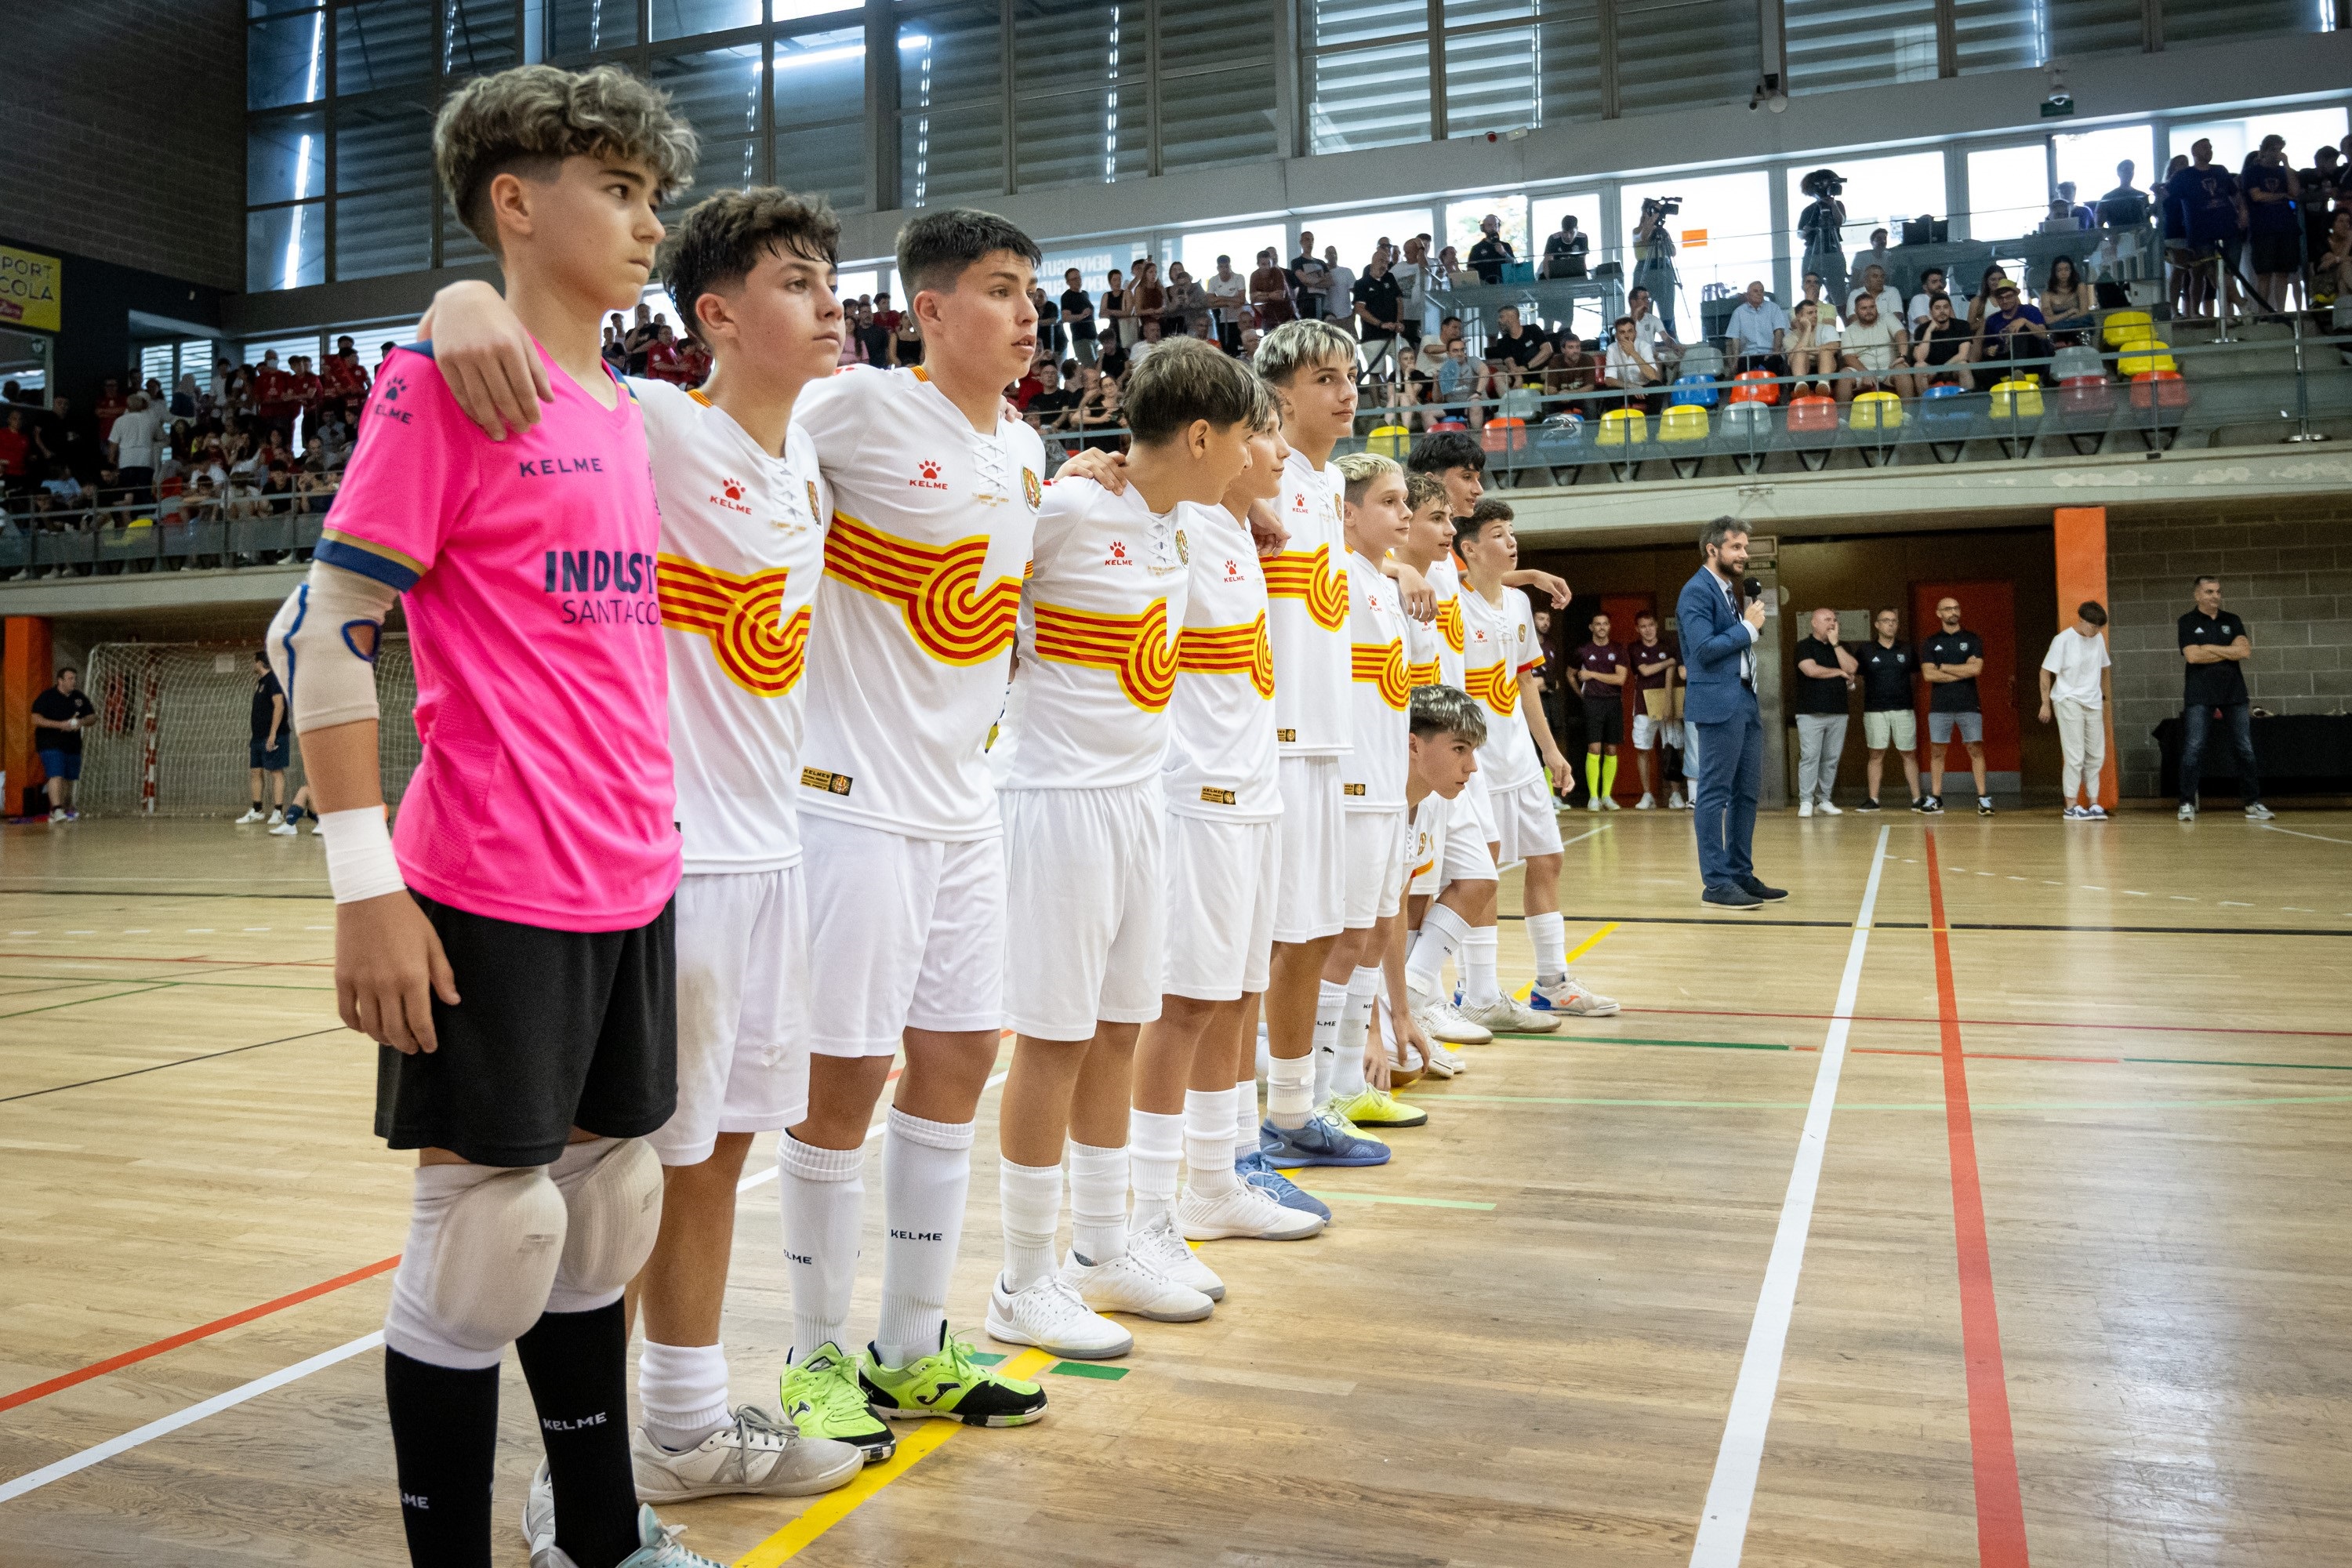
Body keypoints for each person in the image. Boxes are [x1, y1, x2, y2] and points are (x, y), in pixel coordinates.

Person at [262, 62, 724, 1568]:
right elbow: (320, 633)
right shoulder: (443, 382)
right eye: (619, 191)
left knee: (603, 1214)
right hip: (490, 882)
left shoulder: (619, 407)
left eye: (655, 196)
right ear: (515, 204)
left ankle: (599, 1536)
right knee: (487, 1242)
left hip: (632, 875)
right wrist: (363, 884)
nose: (649, 223)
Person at [424, 183, 877, 1504]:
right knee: (618, 1179)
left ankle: (682, 1430)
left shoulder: (809, 466)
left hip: (775, 853)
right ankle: (574, 1483)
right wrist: (458, 299)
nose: (831, 302)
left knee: (720, 1156)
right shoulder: (661, 426)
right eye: (796, 281)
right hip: (667, 865)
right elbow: (526, 360)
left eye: (830, 278)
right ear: (717, 316)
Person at [984, 338, 1268, 1362]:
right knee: (1052, 1038)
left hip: (1140, 801)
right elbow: (978, 605)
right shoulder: (1066, 510)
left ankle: (1101, 1249)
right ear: (1198, 435)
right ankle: (1022, 1278)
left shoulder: (1179, 525)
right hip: (1054, 802)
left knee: (1116, 1028)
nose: (1249, 456)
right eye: (1241, 438)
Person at [1129, 385, 1330, 1311]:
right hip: (1196, 798)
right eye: (1262, 436)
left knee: (1238, 994)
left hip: (1254, 796)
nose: (1277, 453)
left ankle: (1215, 1179)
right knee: (1181, 1004)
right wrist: (1094, 464)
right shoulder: (1175, 522)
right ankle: (1146, 1212)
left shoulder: (1242, 532)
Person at [1250, 318, 1402, 1171]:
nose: (1347, 393)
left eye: (1351, 377)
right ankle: (1231, 1129)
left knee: (1311, 933)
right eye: (1325, 379)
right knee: (1257, 947)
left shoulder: (1326, 483)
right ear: (1278, 394)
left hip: (1325, 737)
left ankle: (1294, 1110)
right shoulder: (1250, 472)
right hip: (1265, 738)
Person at [1457, 498, 1615, 1017]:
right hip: (1474, 761)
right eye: (1498, 534)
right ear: (1469, 548)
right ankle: (1473, 989)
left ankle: (1552, 982)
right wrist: (1532, 574)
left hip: (1519, 757)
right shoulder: (1450, 601)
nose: (1511, 541)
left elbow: (1526, 682)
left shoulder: (1520, 603)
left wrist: (1550, 751)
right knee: (1479, 875)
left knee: (1548, 859)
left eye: (1512, 532)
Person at [1319, 451, 1433, 1133]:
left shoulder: (1385, 583)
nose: (1405, 514)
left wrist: (1399, 569)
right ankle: (1321, 1089)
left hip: (1389, 783)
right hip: (1352, 784)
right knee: (1344, 936)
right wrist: (1400, 567)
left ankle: (1349, 1081)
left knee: (1377, 928)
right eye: (1389, 502)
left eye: (1405, 502)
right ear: (1348, 513)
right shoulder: (1338, 571)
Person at [1677, 518, 1781, 910]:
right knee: (1714, 793)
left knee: (1746, 793)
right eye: (1736, 547)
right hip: (1718, 701)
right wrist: (1749, 629)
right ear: (1713, 549)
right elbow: (1703, 649)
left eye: (1745, 547)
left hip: (1744, 698)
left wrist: (1747, 625)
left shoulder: (1728, 592)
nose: (1744, 555)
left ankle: (1740, 874)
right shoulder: (1696, 591)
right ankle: (1717, 883)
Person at [2176, 575, 2270, 822]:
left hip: (2234, 693)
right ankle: (2186, 803)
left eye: (2218, 591)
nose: (2215, 596)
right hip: (2200, 694)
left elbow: (2244, 651)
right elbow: (2193, 656)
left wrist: (2208, 647)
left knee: (2244, 748)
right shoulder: (2187, 621)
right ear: (2197, 595)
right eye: (2209, 592)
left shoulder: (2232, 620)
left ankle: (2253, 803)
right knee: (2194, 748)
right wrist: (2228, 651)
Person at [2038, 601, 2112, 821]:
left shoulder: (2098, 639)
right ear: (2082, 620)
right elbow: (2045, 671)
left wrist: (2104, 697)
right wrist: (2045, 703)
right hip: (2068, 699)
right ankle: (2071, 805)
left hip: (2093, 701)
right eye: (2093, 627)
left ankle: (2094, 803)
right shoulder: (2063, 640)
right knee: (2075, 754)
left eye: (2100, 628)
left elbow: (2104, 668)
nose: (2096, 631)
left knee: (2096, 754)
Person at [1920, 595, 1990, 815]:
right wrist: (1962, 670)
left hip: (1968, 704)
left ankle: (1983, 798)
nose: (1953, 612)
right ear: (1939, 614)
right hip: (1940, 706)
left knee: (1975, 749)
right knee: (1937, 752)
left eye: (1956, 608)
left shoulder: (1972, 639)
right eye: (1948, 608)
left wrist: (1944, 667)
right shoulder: (1930, 642)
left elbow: (1976, 670)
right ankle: (1936, 798)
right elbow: (1928, 675)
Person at [1853, 608, 1922, 812]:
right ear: (1877, 625)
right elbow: (1858, 678)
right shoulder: (1866, 650)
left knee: (1908, 753)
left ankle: (1917, 799)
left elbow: (1915, 677)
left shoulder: (1907, 649)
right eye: (1886, 620)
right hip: (1875, 709)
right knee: (1876, 754)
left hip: (1903, 708)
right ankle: (1873, 799)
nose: (1891, 624)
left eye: (1894, 621)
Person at [2167, 140, 2243, 321]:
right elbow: (2167, 202)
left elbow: (2234, 193)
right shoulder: (2182, 178)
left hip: (2218, 229)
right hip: (2191, 233)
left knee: (2211, 273)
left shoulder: (2218, 171)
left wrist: (2242, 212)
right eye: (2205, 147)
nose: (2209, 150)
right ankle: (2177, 311)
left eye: (2211, 147)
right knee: (2190, 272)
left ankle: (2210, 311)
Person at [1791, 608, 1856, 817]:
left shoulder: (1842, 647)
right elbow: (1810, 670)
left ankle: (1824, 799)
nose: (1832, 623)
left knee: (1831, 759)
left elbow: (1852, 668)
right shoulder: (1804, 646)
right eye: (1827, 619)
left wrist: (1836, 645)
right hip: (1810, 712)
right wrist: (1838, 672)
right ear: (1814, 623)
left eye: (1834, 620)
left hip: (1838, 712)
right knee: (1810, 757)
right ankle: (1806, 800)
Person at [1572, 612, 1628, 811]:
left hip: (1613, 702)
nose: (1602, 627)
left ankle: (1606, 796)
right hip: (1592, 703)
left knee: (1611, 749)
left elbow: (1620, 679)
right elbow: (1570, 674)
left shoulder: (1618, 650)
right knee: (1594, 748)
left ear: (1609, 627)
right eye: (1598, 624)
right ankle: (1593, 798)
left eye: (1605, 624)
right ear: (1591, 627)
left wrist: (1592, 674)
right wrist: (1582, 694)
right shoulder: (1583, 650)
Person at [1628, 610, 1684, 811]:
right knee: (1643, 748)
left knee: (1674, 746)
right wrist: (1668, 661)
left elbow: (1671, 672)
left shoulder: (1668, 645)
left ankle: (1675, 794)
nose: (1648, 630)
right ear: (1637, 629)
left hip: (1667, 702)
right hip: (1643, 704)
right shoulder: (1634, 648)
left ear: (1657, 625)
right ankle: (1647, 794)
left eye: (1650, 625)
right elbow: (1645, 670)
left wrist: (1668, 701)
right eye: (1643, 626)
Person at [2241, 135, 2303, 313]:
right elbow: (2257, 196)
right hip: (2263, 228)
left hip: (2286, 226)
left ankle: (2280, 311)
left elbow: (2295, 192)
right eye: (2274, 150)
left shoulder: (2284, 172)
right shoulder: (2252, 172)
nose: (2277, 154)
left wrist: (2287, 165)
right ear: (2264, 150)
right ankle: (2263, 313)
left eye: (2280, 150)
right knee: (2264, 273)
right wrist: (2282, 195)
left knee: (2283, 272)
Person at [30, 665, 96, 822]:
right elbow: (36, 719)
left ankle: (64, 808)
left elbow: (93, 717)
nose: (74, 681)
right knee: (56, 774)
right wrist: (60, 725)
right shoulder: (47, 697)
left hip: (72, 744)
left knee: (68, 777)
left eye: (75, 678)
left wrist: (81, 722)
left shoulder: (79, 698)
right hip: (50, 743)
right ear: (60, 681)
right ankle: (56, 809)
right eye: (70, 678)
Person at [237, 650, 289, 826]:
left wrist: (273, 734)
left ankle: (278, 812)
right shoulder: (262, 682)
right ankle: (257, 810)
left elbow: (279, 706)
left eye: (255, 661)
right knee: (255, 771)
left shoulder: (274, 680)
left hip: (274, 735)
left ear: (260, 663)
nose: (253, 665)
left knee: (276, 771)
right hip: (258, 737)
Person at [1834, 291, 1912, 402]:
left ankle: (1909, 412)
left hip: (1889, 369)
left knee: (1901, 370)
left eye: (1872, 307)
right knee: (1844, 375)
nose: (1869, 311)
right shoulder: (1849, 331)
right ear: (1856, 311)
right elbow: (1848, 357)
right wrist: (1865, 373)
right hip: (1861, 372)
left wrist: (1902, 356)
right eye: (1864, 308)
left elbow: (1901, 334)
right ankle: (1842, 414)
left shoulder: (1887, 318)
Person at [1351, 254, 1407, 383]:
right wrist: (1381, 324)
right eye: (1382, 261)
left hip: (1394, 335)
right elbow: (1360, 309)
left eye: (1387, 263)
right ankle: (1378, 396)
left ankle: (1406, 392)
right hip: (1372, 336)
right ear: (1373, 261)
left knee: (1409, 361)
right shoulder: (1361, 283)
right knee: (1375, 372)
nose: (1384, 265)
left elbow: (1399, 300)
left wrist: (1399, 321)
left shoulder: (1389, 277)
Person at [1797, 174, 1849, 304]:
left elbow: (1840, 221)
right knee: (1811, 290)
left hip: (1832, 250)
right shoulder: (1809, 210)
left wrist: (1833, 205)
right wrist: (1807, 230)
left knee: (1838, 293)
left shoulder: (1837, 205)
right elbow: (1800, 234)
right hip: (1813, 251)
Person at [1629, 200, 1678, 334]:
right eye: (1655, 211)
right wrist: (1651, 221)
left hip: (1664, 269)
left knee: (1667, 308)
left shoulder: (1662, 232)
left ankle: (1670, 336)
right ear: (1646, 212)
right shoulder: (1637, 231)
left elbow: (1673, 252)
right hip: (1645, 269)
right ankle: (1645, 338)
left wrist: (1663, 239)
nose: (1658, 214)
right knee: (1644, 309)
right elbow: (1643, 238)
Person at [1725, 280, 1789, 378]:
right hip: (1748, 355)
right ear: (1747, 295)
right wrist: (1736, 359)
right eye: (1756, 291)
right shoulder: (1738, 312)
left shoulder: (1774, 308)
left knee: (1774, 364)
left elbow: (1779, 331)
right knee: (1742, 369)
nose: (1759, 293)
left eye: (1762, 291)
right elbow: (1735, 339)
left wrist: (1774, 352)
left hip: (1770, 353)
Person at [1910, 294, 1976, 389]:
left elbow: (1963, 355)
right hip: (1931, 370)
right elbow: (1920, 357)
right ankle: (1925, 399)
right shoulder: (1922, 329)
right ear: (1931, 312)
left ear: (1950, 309)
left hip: (1952, 368)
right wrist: (1929, 331)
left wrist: (1942, 369)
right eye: (1937, 308)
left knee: (1963, 365)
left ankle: (1968, 398)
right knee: (1919, 366)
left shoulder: (1962, 325)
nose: (1942, 311)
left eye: (1946, 307)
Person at [1784, 299, 1838, 397]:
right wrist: (1808, 329)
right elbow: (1791, 359)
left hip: (1827, 371)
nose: (1815, 316)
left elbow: (1834, 347)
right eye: (1810, 313)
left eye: (1816, 312)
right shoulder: (1788, 338)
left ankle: (1823, 384)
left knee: (1825, 352)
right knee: (1799, 353)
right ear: (1799, 316)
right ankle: (1801, 385)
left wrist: (1808, 350)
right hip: (1801, 372)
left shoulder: (1827, 329)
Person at [2039, 257, 2092, 342]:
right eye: (2059, 270)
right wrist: (2069, 312)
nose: (2063, 273)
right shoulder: (2046, 294)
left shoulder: (2080, 287)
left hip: (2078, 326)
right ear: (2054, 273)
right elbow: (2048, 320)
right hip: (2056, 330)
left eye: (2067, 269)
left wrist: (2067, 320)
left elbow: (2084, 312)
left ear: (2072, 271)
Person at [1203, 255, 1247, 352]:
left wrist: (1221, 298)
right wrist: (1230, 302)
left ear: (1230, 266)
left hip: (1239, 319)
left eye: (1226, 266)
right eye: (1221, 267)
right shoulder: (1213, 280)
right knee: (1226, 349)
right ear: (1218, 268)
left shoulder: (1239, 278)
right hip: (1222, 319)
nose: (1224, 270)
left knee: (1240, 348)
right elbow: (1210, 302)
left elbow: (1242, 300)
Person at [1059, 268, 1098, 366]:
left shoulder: (1085, 294)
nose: (1078, 281)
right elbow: (1065, 318)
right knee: (1090, 368)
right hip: (1081, 338)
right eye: (1074, 279)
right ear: (1068, 282)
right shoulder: (1067, 296)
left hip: (1093, 336)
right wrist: (1082, 316)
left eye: (1079, 278)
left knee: (1098, 365)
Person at [1467, 214, 1514, 285]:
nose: (1493, 228)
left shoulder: (1506, 246)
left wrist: (1504, 253)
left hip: (1505, 286)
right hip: (1485, 288)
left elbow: (1514, 265)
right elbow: (1470, 271)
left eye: (1496, 225)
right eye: (1490, 225)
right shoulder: (1476, 249)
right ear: (1483, 228)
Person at [1541, 214, 1588, 281]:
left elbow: (1582, 262)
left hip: (1574, 273)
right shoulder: (1553, 239)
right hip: (1555, 273)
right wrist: (1550, 282)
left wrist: (1584, 280)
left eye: (1571, 232)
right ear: (1562, 229)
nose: (1568, 236)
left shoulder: (1582, 238)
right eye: (1565, 232)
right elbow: (1547, 263)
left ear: (1577, 229)